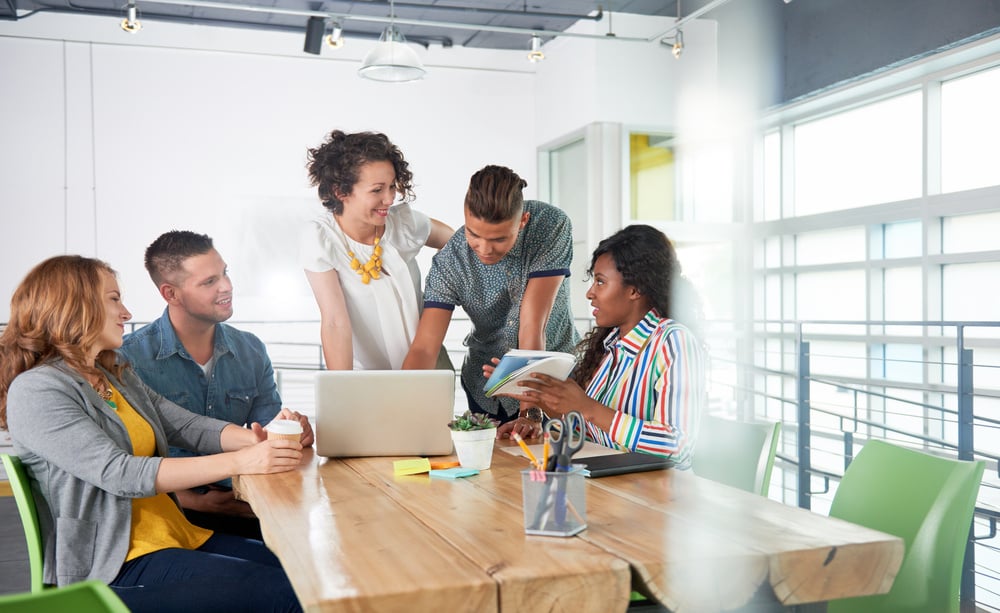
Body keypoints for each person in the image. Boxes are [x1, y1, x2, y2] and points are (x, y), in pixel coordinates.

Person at [0, 255, 303, 611]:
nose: (126, 313)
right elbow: (120, 472)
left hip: (176, 537)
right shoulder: (38, 391)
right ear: (72, 305)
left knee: (303, 572)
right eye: (113, 299)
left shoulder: (114, 377)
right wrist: (243, 460)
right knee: (285, 593)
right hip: (116, 564)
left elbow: (185, 425)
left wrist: (258, 439)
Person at [119, 230, 313, 540]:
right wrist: (191, 500)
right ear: (171, 294)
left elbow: (264, 434)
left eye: (224, 273)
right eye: (209, 282)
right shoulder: (127, 361)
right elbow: (124, 466)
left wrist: (293, 429)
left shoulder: (250, 349)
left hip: (251, 502)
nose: (226, 287)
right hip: (174, 515)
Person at [506, 225, 706, 468]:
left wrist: (588, 408)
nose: (590, 293)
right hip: (611, 484)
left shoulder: (673, 341)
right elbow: (593, 431)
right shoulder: (610, 345)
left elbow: (677, 445)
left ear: (636, 289)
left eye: (600, 282)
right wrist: (542, 401)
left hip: (657, 495)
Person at [402, 165, 578, 437]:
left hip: (551, 380)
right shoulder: (450, 262)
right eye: (474, 234)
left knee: (561, 465)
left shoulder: (549, 226)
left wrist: (530, 412)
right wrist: (401, 409)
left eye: (498, 239)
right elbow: (425, 348)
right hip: (486, 387)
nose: (484, 249)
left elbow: (532, 326)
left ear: (522, 221)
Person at [302, 130, 454, 370]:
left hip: (429, 365)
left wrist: (442, 291)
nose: (389, 199)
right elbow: (334, 323)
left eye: (392, 186)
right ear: (340, 191)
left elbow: (457, 243)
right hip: (371, 377)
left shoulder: (404, 224)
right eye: (377, 190)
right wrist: (342, 393)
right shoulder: (322, 239)